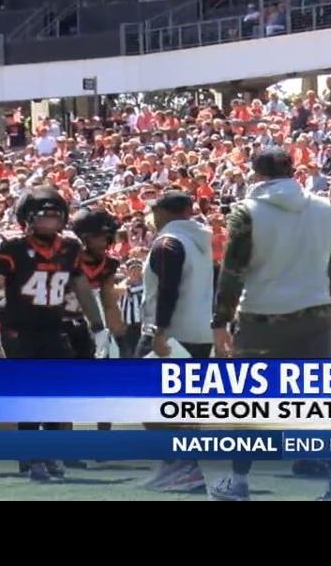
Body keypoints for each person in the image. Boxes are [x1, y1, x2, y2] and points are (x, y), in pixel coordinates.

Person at [207, 148, 331, 502]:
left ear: (257, 174)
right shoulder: (327, 208)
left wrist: (219, 321)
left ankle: (239, 484)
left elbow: (232, 273)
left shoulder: (246, 212)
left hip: (262, 316)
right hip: (315, 312)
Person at [0, 186, 112, 482]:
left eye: (55, 218)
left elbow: (82, 288)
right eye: (43, 218)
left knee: (57, 393)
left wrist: (98, 326)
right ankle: (32, 455)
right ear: (27, 219)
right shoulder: (13, 248)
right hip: (19, 328)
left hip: (54, 326)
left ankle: (50, 451)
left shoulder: (69, 249)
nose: (50, 224)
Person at [135, 191, 216, 493]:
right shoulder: (202, 240)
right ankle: (183, 465)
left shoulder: (168, 242)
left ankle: (179, 464)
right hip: (199, 331)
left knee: (135, 395)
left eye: (156, 211)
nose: (153, 217)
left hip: (171, 331)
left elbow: (168, 289)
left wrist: (159, 330)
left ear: (166, 212)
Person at [64, 209, 127, 361]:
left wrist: (119, 336)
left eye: (106, 237)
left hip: (86, 323)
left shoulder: (108, 264)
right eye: (97, 237)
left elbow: (109, 302)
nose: (103, 242)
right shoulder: (65, 259)